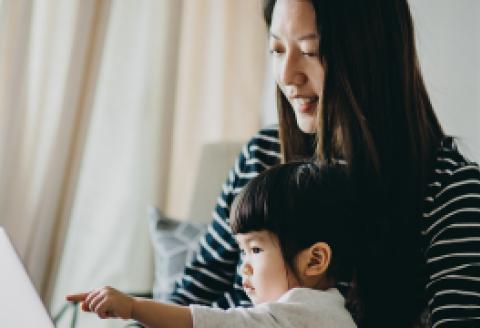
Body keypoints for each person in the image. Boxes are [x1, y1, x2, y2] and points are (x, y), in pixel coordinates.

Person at [169, 1, 480, 327]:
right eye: (277, 49)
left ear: (373, 54)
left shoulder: (451, 192)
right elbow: (193, 290)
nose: (287, 75)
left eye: (310, 51)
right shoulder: (262, 155)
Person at [67, 162, 357, 328]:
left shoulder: (303, 313)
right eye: (243, 250)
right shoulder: (327, 309)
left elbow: (206, 323)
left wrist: (133, 307)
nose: (243, 265)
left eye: (255, 250)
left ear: (315, 260)